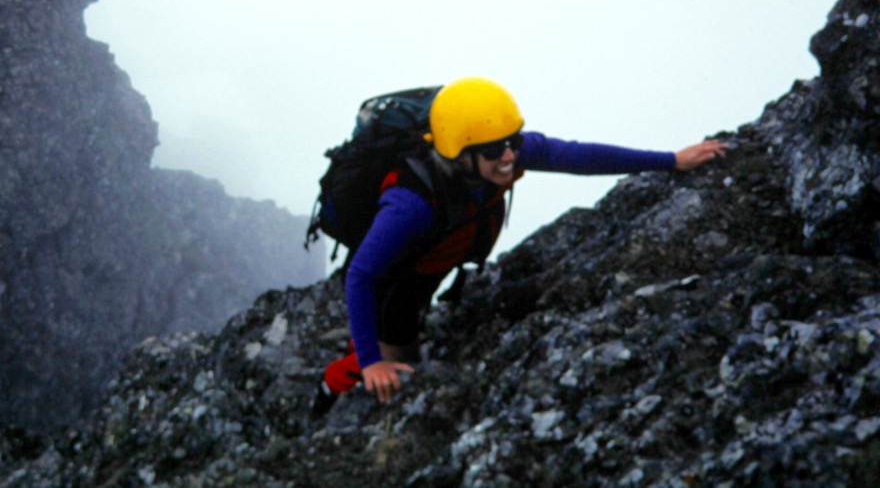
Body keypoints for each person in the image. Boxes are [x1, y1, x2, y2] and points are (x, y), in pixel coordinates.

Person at [312, 76, 728, 416]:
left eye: (513, 140)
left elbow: (578, 157)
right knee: (394, 370)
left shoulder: (496, 152)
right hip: (397, 281)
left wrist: (670, 160)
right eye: (495, 149)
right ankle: (331, 388)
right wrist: (372, 361)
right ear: (460, 152)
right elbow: (362, 274)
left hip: (433, 261)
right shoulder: (411, 204)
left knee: (407, 352)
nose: (510, 155)